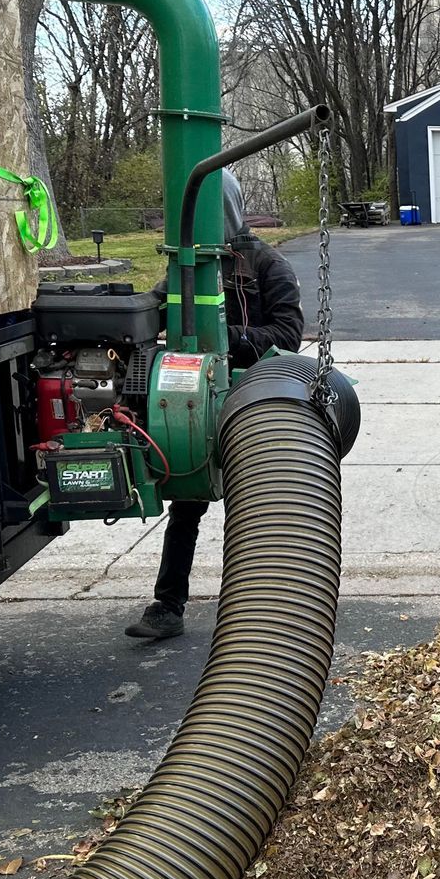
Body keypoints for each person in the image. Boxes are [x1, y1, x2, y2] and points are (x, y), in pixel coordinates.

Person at [126, 171, 306, 641]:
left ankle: (272, 611)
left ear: (227, 207)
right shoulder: (182, 267)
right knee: (187, 503)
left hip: (252, 402)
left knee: (261, 509)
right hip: (194, 406)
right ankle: (167, 606)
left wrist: (234, 339)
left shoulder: (268, 265)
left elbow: (289, 337)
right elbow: (154, 312)